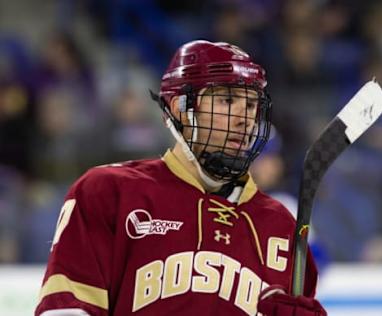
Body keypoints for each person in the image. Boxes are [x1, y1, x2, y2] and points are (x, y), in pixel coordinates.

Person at [35, 40, 326, 316]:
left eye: (251, 106)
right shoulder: (109, 192)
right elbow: (66, 309)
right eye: (226, 100)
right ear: (180, 110)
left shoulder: (280, 224)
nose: (244, 117)